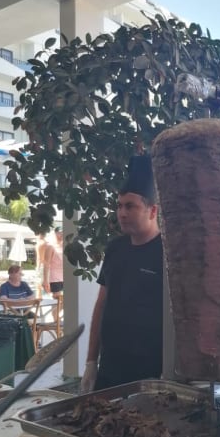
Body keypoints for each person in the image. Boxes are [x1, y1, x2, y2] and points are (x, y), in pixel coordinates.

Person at [81, 155, 163, 393]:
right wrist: (91, 362)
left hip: (149, 373)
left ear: (152, 210)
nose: (122, 213)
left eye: (130, 206)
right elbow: (101, 305)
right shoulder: (115, 248)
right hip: (109, 368)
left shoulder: (167, 252)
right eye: (119, 206)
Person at [43, 227, 64, 297]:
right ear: (55, 233)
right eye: (60, 232)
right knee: (58, 299)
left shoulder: (65, 246)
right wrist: (45, 280)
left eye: (63, 232)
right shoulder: (50, 246)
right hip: (55, 277)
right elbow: (46, 263)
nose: (62, 234)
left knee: (66, 300)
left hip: (65, 276)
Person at [35, 233, 51, 298]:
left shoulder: (40, 244)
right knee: (45, 285)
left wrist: (38, 267)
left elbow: (39, 258)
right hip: (46, 265)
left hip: (41, 265)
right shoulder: (47, 243)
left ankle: (38, 300)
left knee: (39, 286)